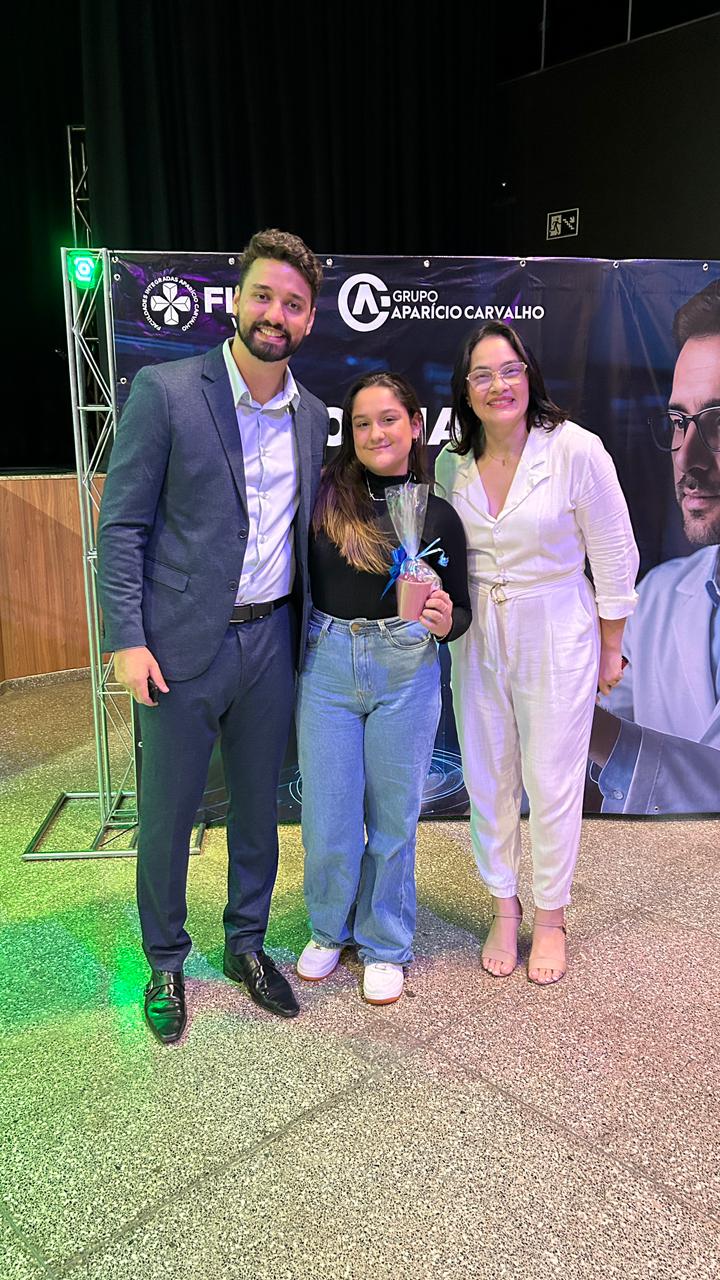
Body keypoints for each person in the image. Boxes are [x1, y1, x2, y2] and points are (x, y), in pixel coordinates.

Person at [97, 228, 330, 1043]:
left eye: (293, 304)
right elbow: (123, 524)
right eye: (264, 295)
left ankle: (245, 945)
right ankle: (165, 959)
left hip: (271, 644)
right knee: (168, 815)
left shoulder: (312, 415)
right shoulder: (166, 391)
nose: (276, 314)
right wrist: (127, 637)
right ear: (237, 300)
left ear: (309, 319)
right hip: (178, 646)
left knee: (259, 810)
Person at [435, 321, 639, 984]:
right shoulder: (451, 462)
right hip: (478, 637)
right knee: (487, 774)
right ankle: (504, 904)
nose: (499, 385)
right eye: (482, 375)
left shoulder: (575, 450)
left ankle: (551, 916)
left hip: (556, 628)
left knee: (552, 779)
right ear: (465, 390)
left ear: (529, 376)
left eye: (510, 370)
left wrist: (612, 647)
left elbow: (615, 554)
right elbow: (441, 553)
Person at [294, 372, 471, 1005]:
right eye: (362, 423)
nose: (375, 433)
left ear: (416, 425)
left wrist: (445, 621)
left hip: (406, 670)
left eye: (389, 419)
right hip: (327, 665)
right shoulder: (320, 501)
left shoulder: (437, 515)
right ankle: (328, 927)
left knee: (394, 819)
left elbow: (462, 612)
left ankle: (386, 943)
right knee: (329, 817)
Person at [591, 278, 720, 814]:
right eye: (678, 422)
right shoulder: (659, 595)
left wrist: (583, 726)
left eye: (717, 423)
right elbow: (596, 759)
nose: (687, 458)